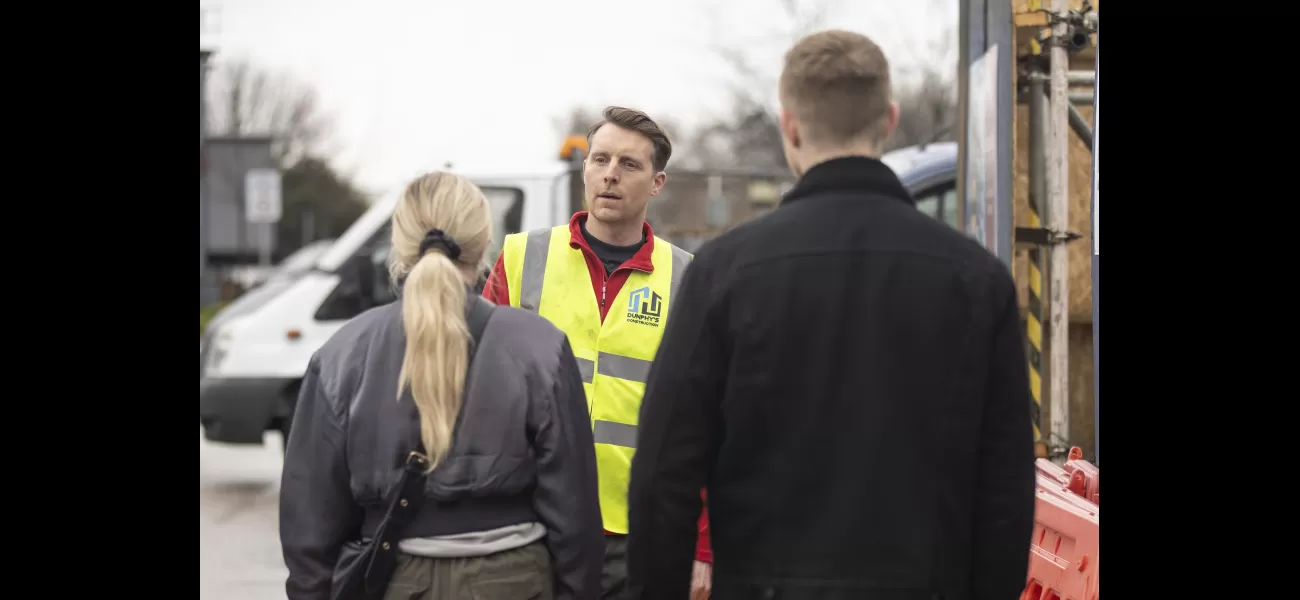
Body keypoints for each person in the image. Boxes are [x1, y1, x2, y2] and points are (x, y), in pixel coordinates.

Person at [624, 29, 1038, 600]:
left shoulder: (724, 273)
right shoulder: (977, 279)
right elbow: (1006, 490)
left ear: (789, 126)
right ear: (889, 120)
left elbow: (663, 475)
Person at [280, 171, 604, 600]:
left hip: (392, 578)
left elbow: (309, 529)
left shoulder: (341, 355)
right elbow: (575, 514)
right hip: (513, 582)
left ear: (399, 246)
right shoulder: (540, 347)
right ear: (484, 241)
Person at [482, 106, 714, 599]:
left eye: (629, 164)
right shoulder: (522, 257)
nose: (610, 174)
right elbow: (473, 392)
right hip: (529, 524)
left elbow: (709, 423)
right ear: (584, 169)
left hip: (636, 534)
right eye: (600, 159)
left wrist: (703, 548)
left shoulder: (688, 279)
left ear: (657, 183)